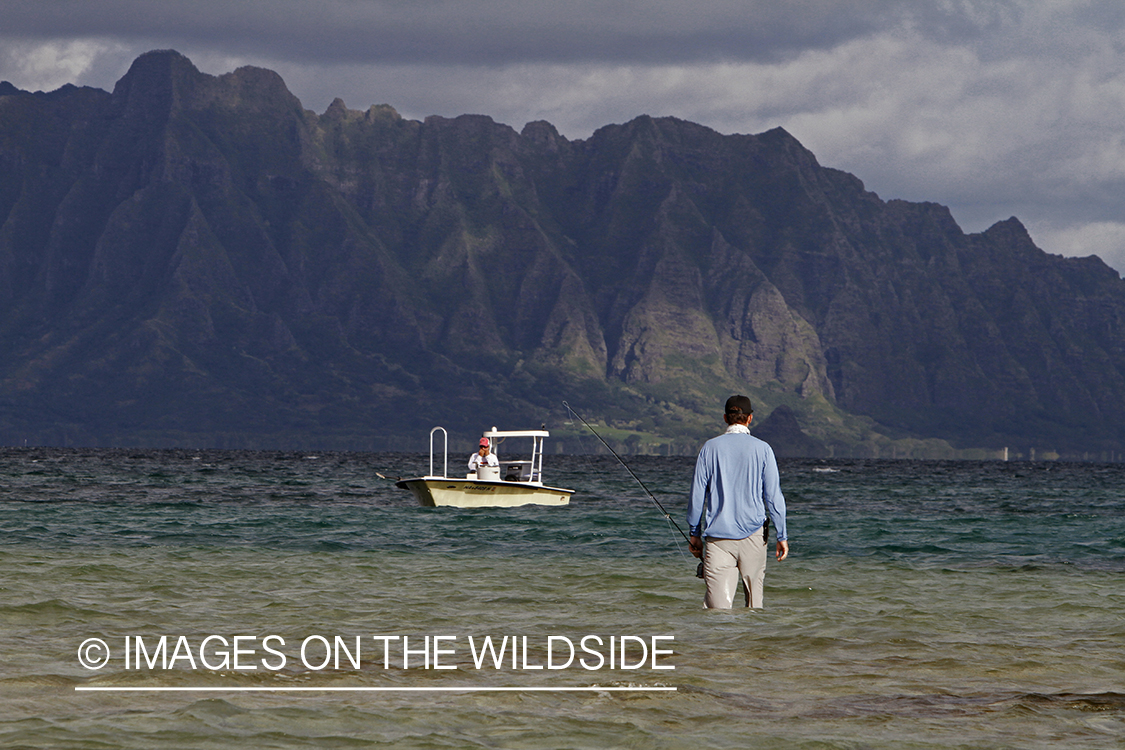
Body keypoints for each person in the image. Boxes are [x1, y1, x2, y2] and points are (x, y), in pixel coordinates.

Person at [687, 395, 789, 608]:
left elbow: (698, 494)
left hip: (718, 540)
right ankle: (753, 641)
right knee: (754, 607)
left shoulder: (709, 448)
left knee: (717, 611)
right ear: (750, 418)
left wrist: (694, 534)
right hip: (754, 537)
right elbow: (773, 496)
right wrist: (782, 535)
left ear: (725, 418)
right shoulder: (763, 449)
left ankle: (721, 642)